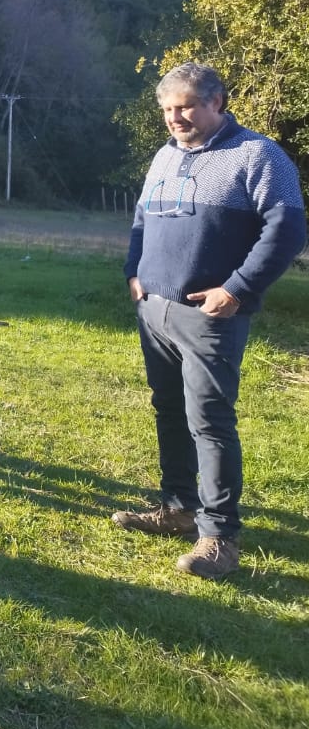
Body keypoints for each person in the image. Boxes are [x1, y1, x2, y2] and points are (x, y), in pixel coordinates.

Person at [116, 62, 306, 579]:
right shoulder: (164, 155)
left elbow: (287, 230)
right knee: (169, 410)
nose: (175, 118)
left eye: (186, 107)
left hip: (210, 316)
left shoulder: (258, 155)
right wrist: (133, 272)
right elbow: (141, 220)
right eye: (167, 109)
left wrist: (237, 289)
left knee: (210, 421)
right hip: (155, 310)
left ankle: (219, 537)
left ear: (216, 102)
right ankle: (178, 508)